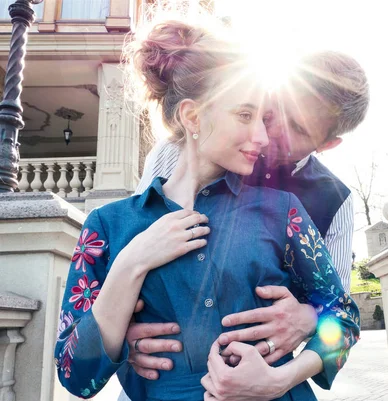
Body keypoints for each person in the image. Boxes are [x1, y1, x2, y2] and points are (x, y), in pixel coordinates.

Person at [54, 17, 360, 401]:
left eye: (263, 118)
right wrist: (131, 264)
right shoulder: (110, 224)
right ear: (193, 116)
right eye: (246, 116)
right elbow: (74, 375)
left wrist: (284, 369)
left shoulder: (286, 211)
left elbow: (343, 318)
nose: (264, 137)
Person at [120, 48, 370, 399]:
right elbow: (132, 250)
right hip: (163, 379)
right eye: (276, 108)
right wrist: (120, 335)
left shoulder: (336, 201)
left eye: (297, 127)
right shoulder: (175, 152)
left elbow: (341, 314)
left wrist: (309, 320)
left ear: (328, 144)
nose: (270, 130)